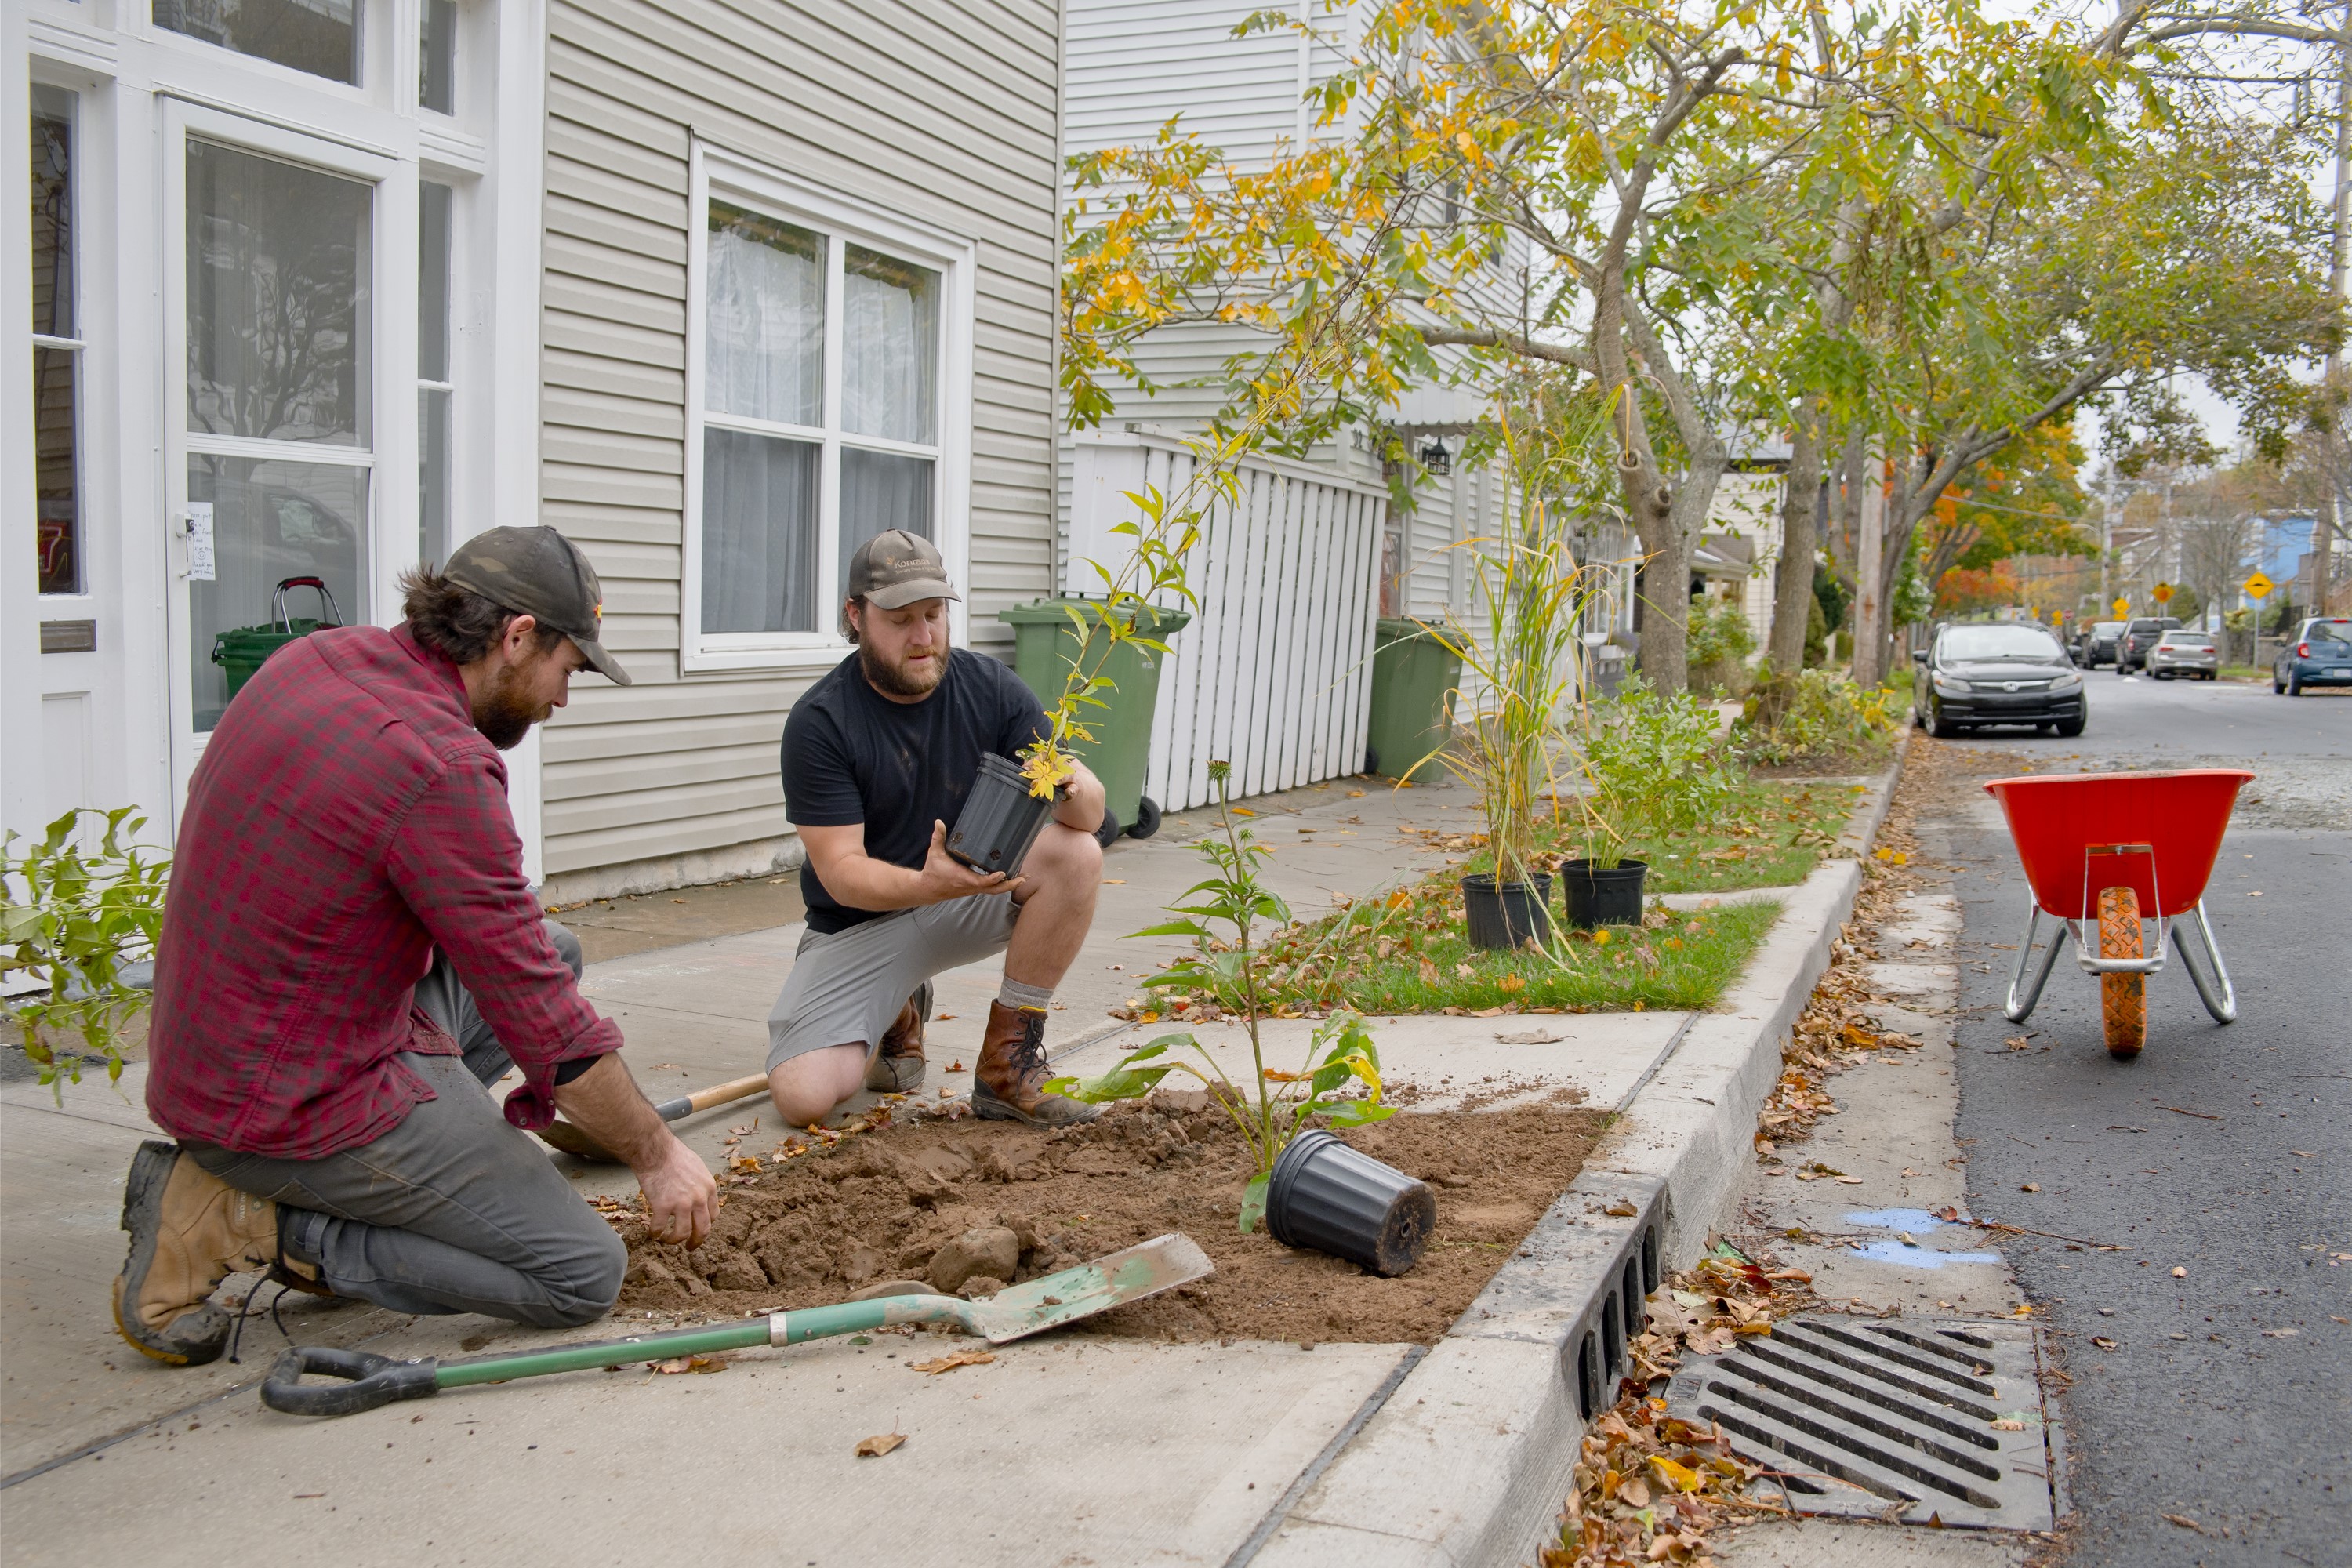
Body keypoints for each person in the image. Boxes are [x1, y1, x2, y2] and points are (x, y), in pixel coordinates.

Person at [117, 527, 717, 1367]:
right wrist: (657, 1154)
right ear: (516, 638)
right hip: (286, 1100)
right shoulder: (441, 767)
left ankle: (318, 1181)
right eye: (568, 668)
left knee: (557, 945)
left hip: (225, 1046)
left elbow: (522, 961)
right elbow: (550, 1029)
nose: (563, 698)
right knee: (579, 1271)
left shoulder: (317, 659)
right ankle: (261, 1219)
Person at [766, 530, 1105, 1129]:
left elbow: (1091, 818)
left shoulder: (991, 689)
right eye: (899, 619)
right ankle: (896, 1008)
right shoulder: (820, 723)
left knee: (1075, 854)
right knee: (805, 1098)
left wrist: (1076, 787)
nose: (923, 637)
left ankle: (1006, 1070)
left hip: (964, 901)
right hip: (858, 929)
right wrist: (930, 884)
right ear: (856, 616)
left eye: (934, 615)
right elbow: (842, 875)